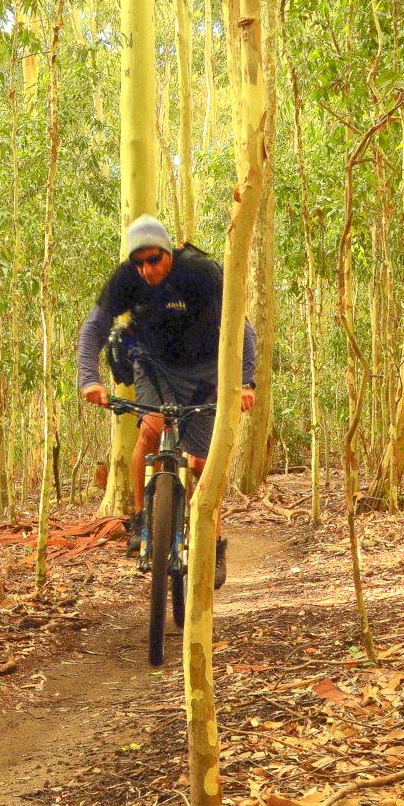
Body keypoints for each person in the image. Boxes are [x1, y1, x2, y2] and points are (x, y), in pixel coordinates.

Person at [76, 215, 257, 557]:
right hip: (154, 366)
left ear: (168, 253)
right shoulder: (127, 279)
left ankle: (214, 544)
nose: (147, 269)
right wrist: (89, 379)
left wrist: (247, 381)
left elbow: (242, 328)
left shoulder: (200, 272)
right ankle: (142, 520)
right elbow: (93, 329)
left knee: (202, 464)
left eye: (153, 260)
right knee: (151, 430)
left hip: (205, 371)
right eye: (139, 262)